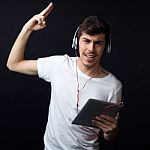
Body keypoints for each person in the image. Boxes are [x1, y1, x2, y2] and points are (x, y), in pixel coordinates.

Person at [7, 2, 122, 150]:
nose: (91, 49)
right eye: (86, 41)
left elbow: (108, 135)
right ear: (76, 42)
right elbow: (13, 64)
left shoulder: (113, 85)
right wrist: (27, 29)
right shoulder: (59, 65)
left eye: (98, 43)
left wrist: (111, 132)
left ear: (106, 47)